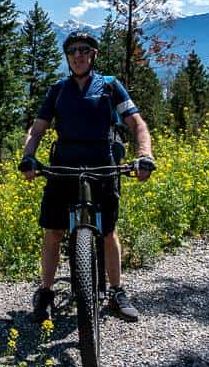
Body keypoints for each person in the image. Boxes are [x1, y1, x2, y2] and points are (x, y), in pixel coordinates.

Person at [18, 31, 155, 323]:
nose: (77, 55)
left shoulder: (109, 87)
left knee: (108, 232)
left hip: (103, 168)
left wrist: (144, 154)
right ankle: (45, 292)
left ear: (93, 54)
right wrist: (28, 156)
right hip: (63, 169)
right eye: (72, 51)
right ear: (67, 57)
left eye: (83, 50)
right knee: (54, 232)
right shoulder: (57, 90)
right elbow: (38, 129)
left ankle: (117, 291)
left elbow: (137, 124)